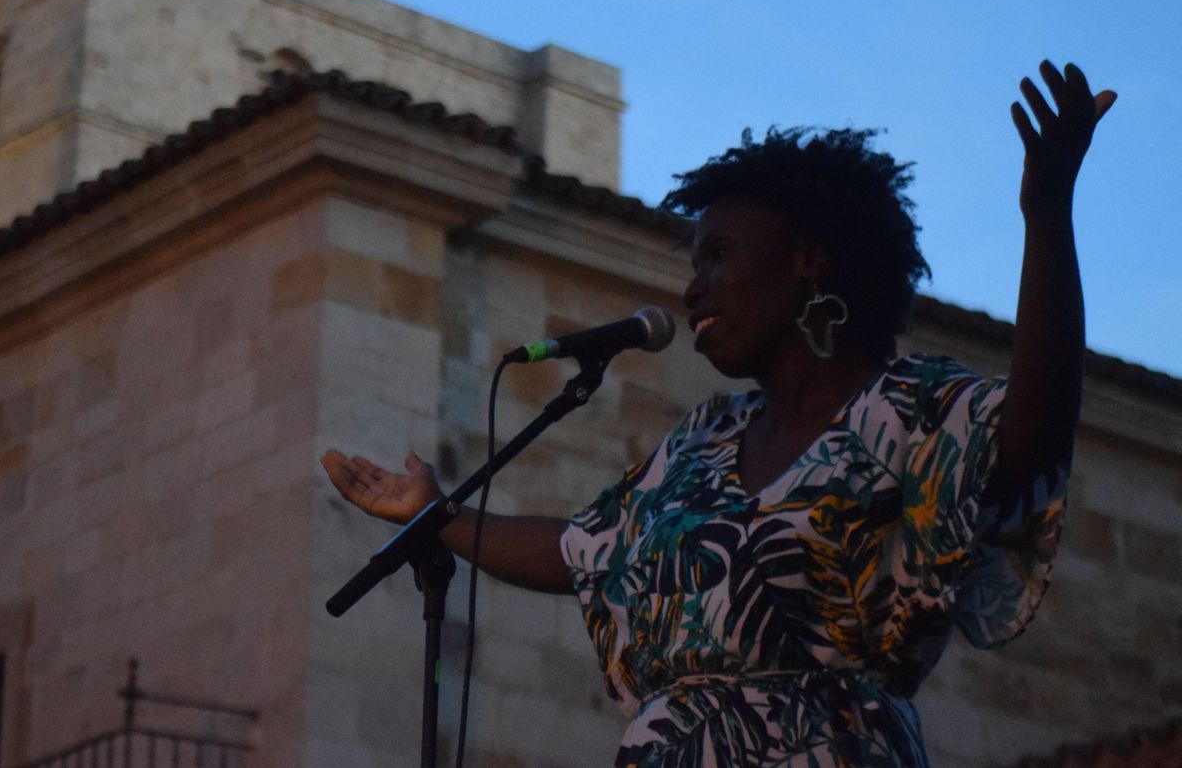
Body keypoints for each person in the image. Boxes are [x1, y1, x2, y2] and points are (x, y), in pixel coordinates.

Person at [320, 62, 1115, 767]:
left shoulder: (908, 409)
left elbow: (1031, 438)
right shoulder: (702, 441)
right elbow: (584, 551)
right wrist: (439, 514)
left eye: (720, 254)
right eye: (692, 262)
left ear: (809, 259)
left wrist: (1047, 216)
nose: (693, 287)